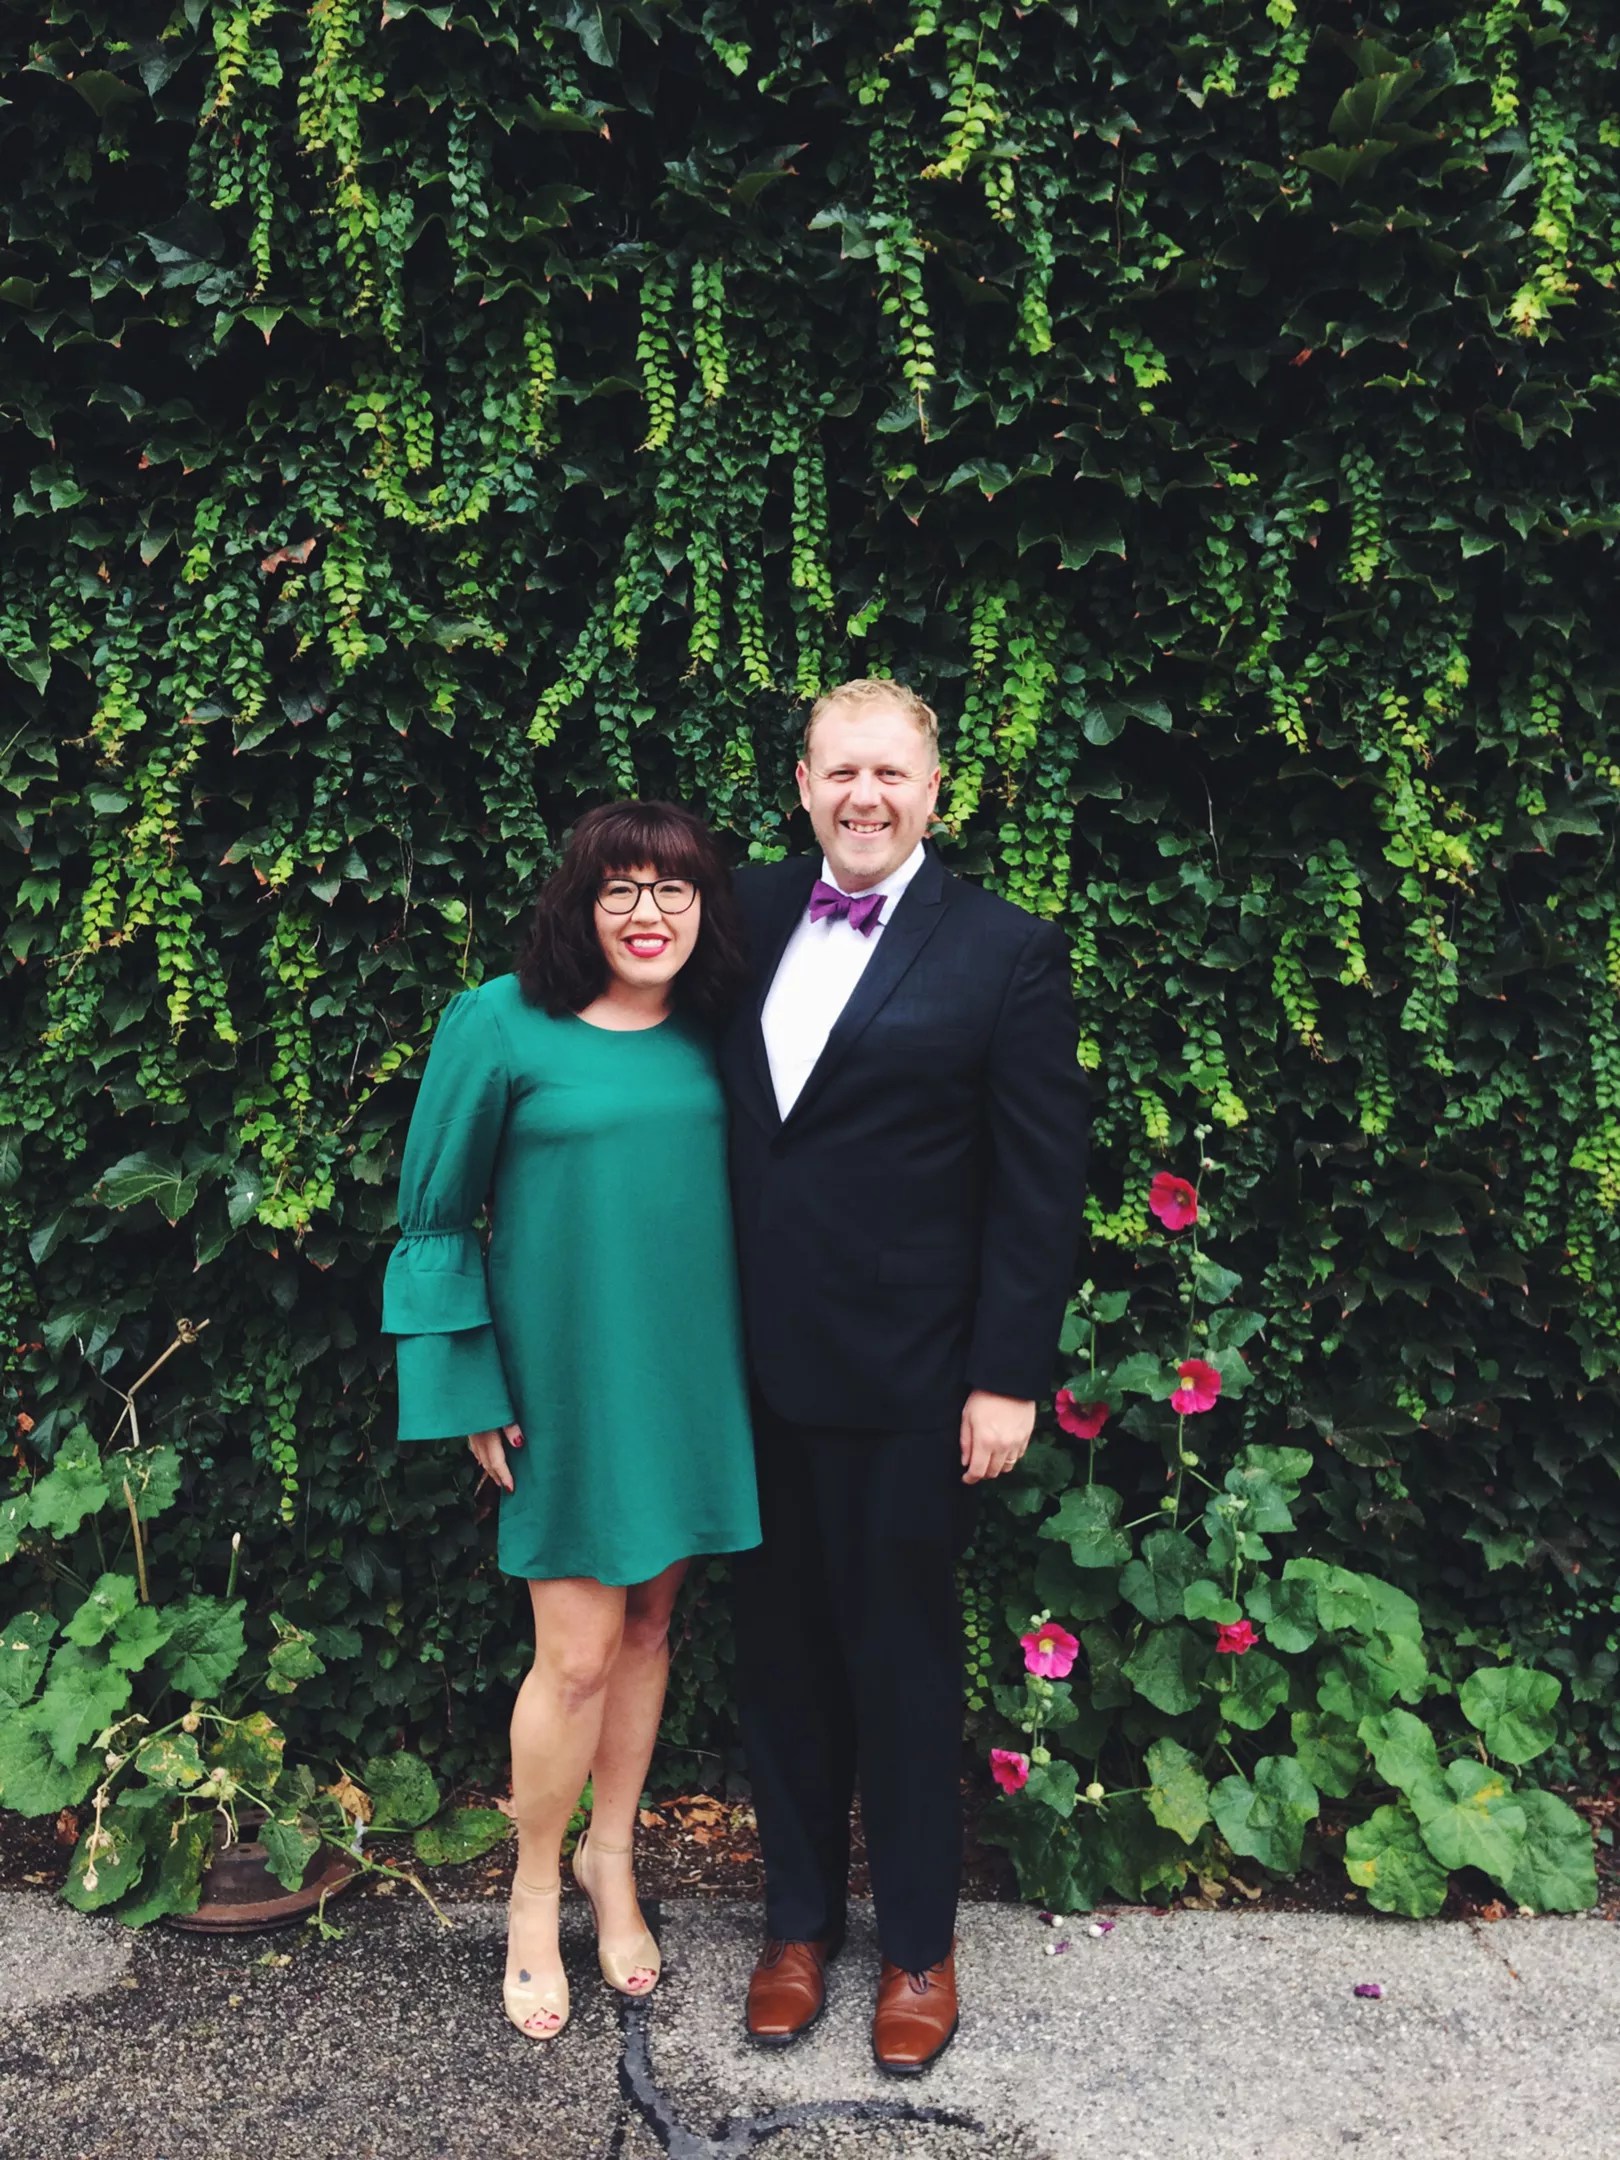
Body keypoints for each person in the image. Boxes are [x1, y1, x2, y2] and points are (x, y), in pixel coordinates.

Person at [721, 677, 1089, 2075]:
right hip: (748, 1370)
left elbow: (1040, 1185)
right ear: (803, 785)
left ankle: (920, 1948)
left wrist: (1007, 1376)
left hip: (912, 1381)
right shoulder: (741, 912)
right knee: (778, 1661)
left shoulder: (1005, 948)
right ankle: (798, 1928)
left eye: (890, 773)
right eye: (840, 771)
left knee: (902, 1664)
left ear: (936, 790)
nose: (864, 796)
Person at [383, 801, 762, 2043]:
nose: (648, 913)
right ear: (579, 904)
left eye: (673, 889)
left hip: (692, 1373)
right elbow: (436, 1215)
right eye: (620, 889)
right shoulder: (499, 1021)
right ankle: (535, 1892)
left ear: (704, 908)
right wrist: (468, 1387)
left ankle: (614, 1859)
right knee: (578, 1653)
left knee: (650, 1627)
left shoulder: (721, 1028)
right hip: (568, 1383)